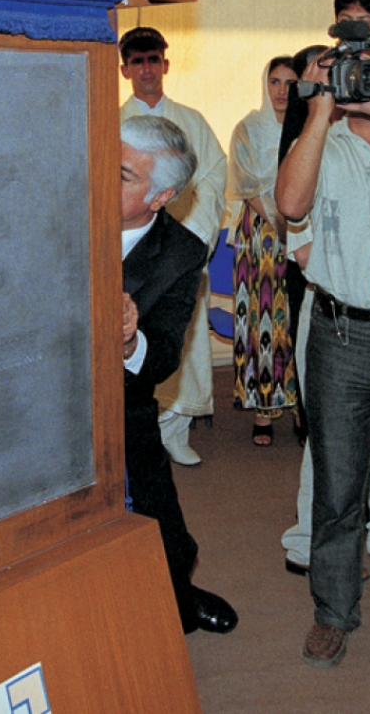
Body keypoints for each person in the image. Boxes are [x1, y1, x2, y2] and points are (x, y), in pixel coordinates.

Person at [276, 28, 370, 668]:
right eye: (355, 68)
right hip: (340, 335)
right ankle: (333, 613)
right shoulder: (325, 141)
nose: (366, 77)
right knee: (338, 488)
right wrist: (316, 109)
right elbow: (289, 204)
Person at [121, 115, 237, 636]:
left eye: (123, 174)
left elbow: (165, 354)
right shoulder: (59, 208)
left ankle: (177, 590)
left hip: (122, 402)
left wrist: (128, 339)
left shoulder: (181, 254)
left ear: (160, 196)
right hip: (36, 395)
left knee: (161, 526)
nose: (100, 175)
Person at [119, 26, 227, 466]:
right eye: (137, 61)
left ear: (165, 64)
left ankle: (177, 425)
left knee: (178, 342)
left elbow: (214, 177)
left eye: (153, 60)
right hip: (127, 242)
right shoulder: (112, 121)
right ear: (125, 69)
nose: (146, 69)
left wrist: (194, 235)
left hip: (176, 246)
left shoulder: (192, 120)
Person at [225, 56, 300, 445]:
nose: (282, 90)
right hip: (262, 234)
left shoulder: (310, 127)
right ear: (264, 84)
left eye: (290, 82)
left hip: (305, 230)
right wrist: (281, 225)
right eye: (275, 81)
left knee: (300, 322)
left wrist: (298, 228)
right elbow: (248, 186)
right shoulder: (248, 129)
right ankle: (264, 410)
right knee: (263, 321)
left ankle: (303, 407)